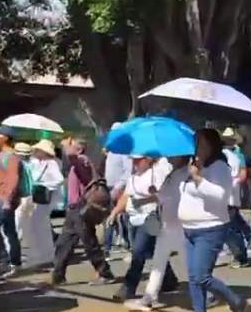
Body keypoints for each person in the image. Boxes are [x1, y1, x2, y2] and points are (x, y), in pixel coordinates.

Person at [176, 129, 248, 312]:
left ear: (212, 145)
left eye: (202, 143)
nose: (198, 147)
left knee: (201, 276)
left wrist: (198, 178)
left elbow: (220, 195)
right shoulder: (195, 165)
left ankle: (236, 302)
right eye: (196, 143)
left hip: (210, 228)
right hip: (190, 229)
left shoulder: (220, 167)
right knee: (193, 278)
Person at [124, 156, 188, 312]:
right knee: (158, 263)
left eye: (173, 155)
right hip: (166, 224)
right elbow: (162, 196)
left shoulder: (186, 174)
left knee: (190, 264)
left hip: (180, 225)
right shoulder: (173, 174)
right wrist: (150, 196)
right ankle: (149, 297)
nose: (170, 158)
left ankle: (208, 295)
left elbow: (177, 197)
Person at [50, 138, 116, 286]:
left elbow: (72, 157)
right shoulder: (77, 163)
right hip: (74, 209)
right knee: (64, 243)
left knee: (89, 241)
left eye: (72, 146)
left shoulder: (82, 160)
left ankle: (105, 273)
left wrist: (66, 146)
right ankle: (58, 276)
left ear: (79, 149)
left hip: (81, 208)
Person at [108, 155, 170, 300]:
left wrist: (149, 197)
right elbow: (126, 196)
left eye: (138, 159)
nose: (135, 162)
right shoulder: (133, 177)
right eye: (133, 160)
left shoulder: (156, 174)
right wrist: (115, 212)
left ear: (148, 159)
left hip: (152, 217)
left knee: (138, 252)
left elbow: (164, 195)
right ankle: (169, 279)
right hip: (135, 218)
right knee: (154, 250)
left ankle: (128, 287)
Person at [0, 125, 24, 277]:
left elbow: (13, 179)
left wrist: (8, 200)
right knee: (9, 230)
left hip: (4, 198)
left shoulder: (12, 156)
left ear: (6, 138)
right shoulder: (0, 155)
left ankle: (5, 262)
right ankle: (14, 262)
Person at [25, 140, 64, 268]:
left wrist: (45, 186)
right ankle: (41, 255)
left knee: (41, 226)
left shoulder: (51, 163)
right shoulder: (38, 163)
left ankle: (45, 255)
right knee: (37, 226)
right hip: (37, 197)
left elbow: (59, 180)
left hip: (45, 198)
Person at [220, 127, 250, 268]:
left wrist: (234, 182)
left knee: (231, 228)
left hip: (230, 196)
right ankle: (239, 252)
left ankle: (240, 256)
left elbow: (243, 174)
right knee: (231, 226)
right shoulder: (222, 154)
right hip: (223, 197)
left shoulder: (236, 155)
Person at [104, 123, 133, 255]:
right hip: (109, 186)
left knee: (123, 217)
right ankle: (107, 247)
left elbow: (128, 171)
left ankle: (129, 243)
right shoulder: (112, 150)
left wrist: (118, 187)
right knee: (110, 217)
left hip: (120, 188)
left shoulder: (124, 151)